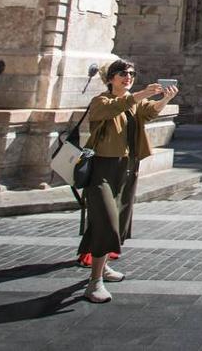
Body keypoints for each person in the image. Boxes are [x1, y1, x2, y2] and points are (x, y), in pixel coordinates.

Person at [78, 59, 176, 303]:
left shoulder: (134, 103)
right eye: (122, 73)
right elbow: (115, 108)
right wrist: (142, 93)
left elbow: (149, 113)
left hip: (127, 168)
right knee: (107, 222)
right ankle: (94, 283)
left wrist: (165, 99)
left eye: (131, 73)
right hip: (102, 168)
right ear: (110, 78)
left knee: (117, 222)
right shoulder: (100, 102)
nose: (128, 77)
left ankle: (102, 267)